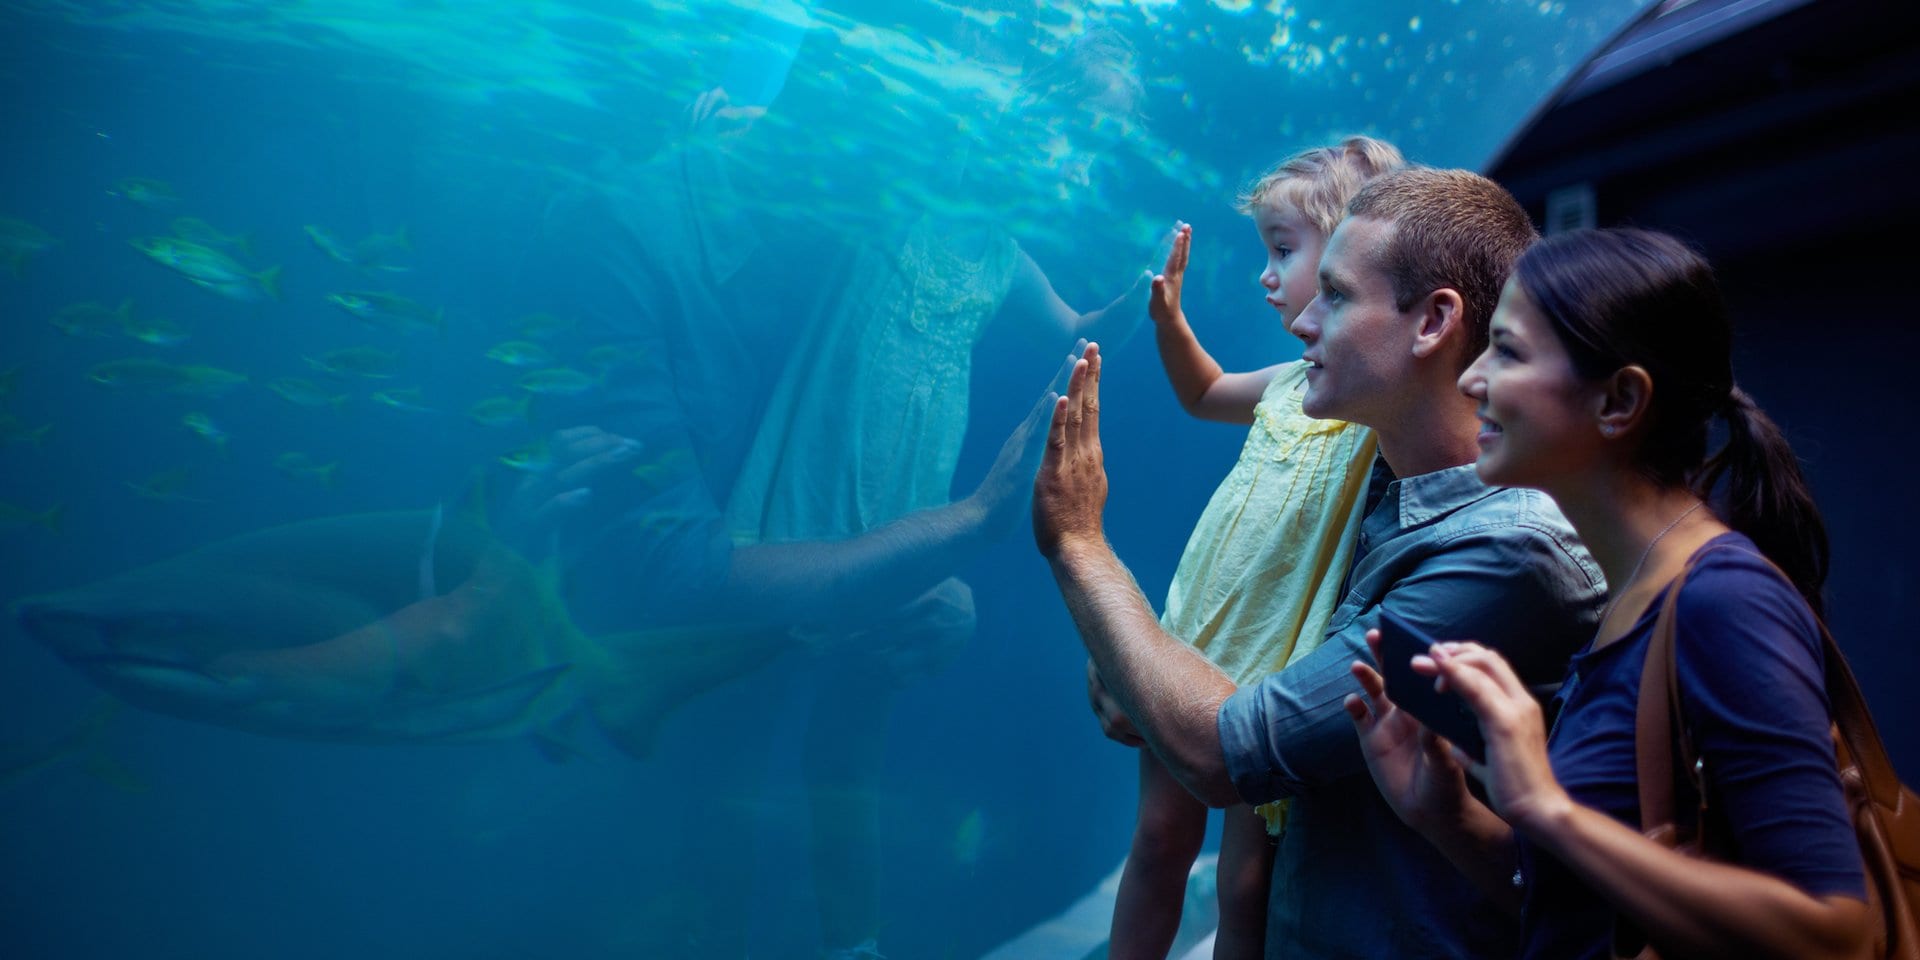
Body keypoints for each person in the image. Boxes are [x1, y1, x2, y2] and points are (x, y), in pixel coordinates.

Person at [1035, 167, 1607, 959]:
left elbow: (1226, 751)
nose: (1303, 320)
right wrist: (1143, 666)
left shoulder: (1503, 552)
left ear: (1435, 322)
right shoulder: (1369, 487)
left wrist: (1078, 544)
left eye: (1335, 295)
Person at [1343, 227, 1868, 960]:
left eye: (1511, 351)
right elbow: (1590, 915)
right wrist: (1451, 818)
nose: (1473, 379)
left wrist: (1550, 809)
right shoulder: (1631, 594)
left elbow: (1837, 932)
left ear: (1619, 400)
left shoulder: (1725, 600)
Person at [1109, 136, 1404, 960]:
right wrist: (1170, 321)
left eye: (1283, 250)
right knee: (1160, 842)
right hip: (1195, 634)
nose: (1266, 274)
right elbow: (1202, 391)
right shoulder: (1287, 381)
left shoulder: (1370, 391)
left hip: (1278, 668)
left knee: (1246, 882)